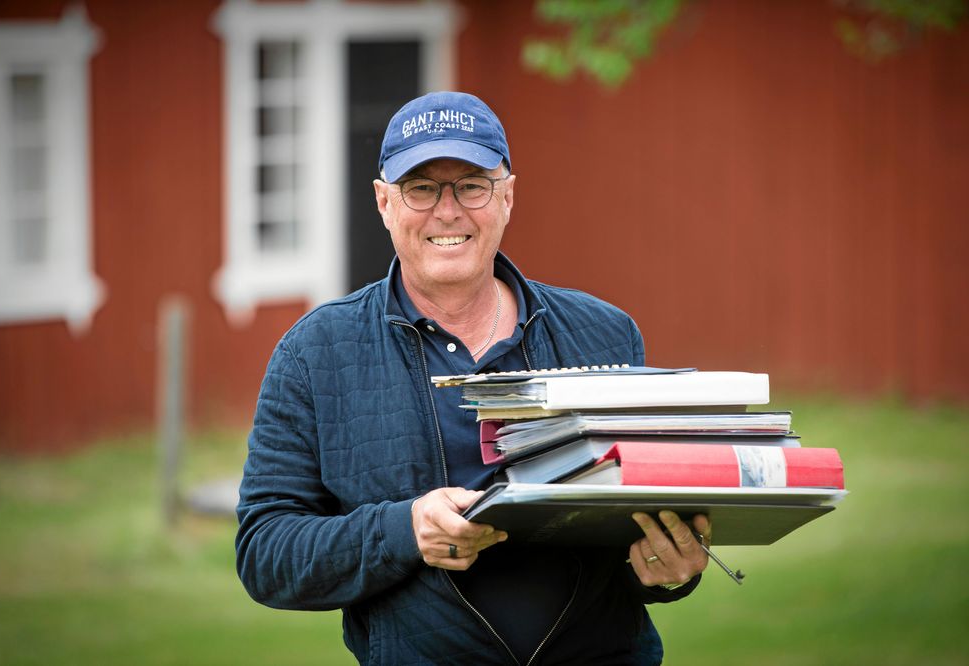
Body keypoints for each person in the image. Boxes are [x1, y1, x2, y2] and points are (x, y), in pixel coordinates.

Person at [236, 91, 710, 665]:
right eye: (421, 188)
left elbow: (634, 530)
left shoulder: (606, 334)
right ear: (384, 202)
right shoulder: (316, 353)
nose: (448, 211)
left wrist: (668, 568)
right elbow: (265, 553)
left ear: (507, 197)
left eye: (471, 185)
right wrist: (404, 530)